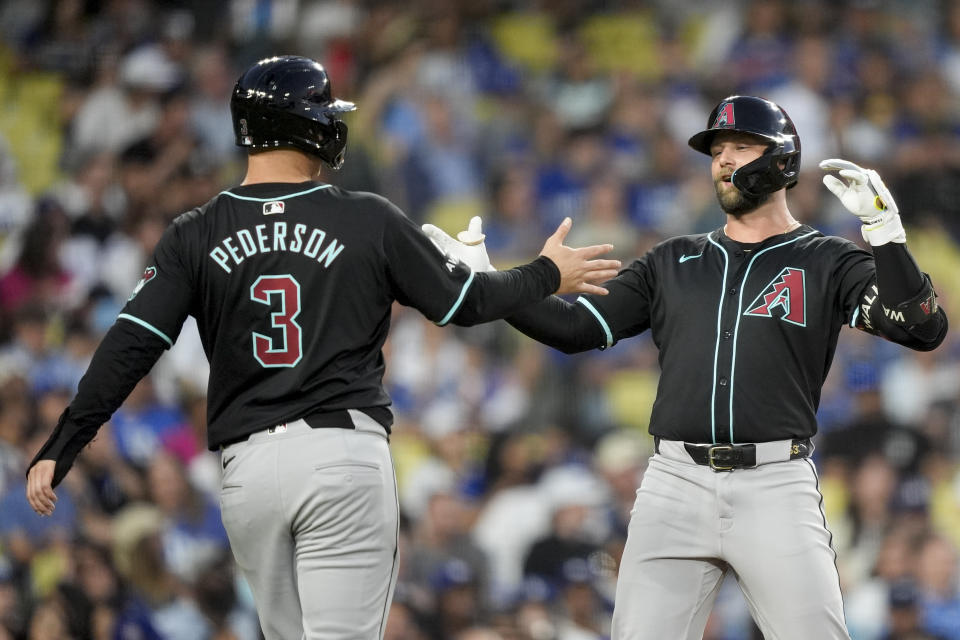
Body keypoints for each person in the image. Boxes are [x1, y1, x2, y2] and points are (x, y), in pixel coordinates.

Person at [24, 55, 620, 640]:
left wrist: (64, 441)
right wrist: (544, 274)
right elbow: (462, 305)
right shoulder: (366, 217)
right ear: (301, 122)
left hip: (247, 470)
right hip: (340, 454)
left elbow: (132, 343)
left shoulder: (194, 231)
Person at [423, 95, 949, 640]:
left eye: (740, 146)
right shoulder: (672, 260)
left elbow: (921, 328)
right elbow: (576, 328)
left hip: (774, 481)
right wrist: (494, 281)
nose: (723, 159)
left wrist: (886, 236)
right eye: (717, 149)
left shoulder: (827, 259)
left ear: (783, 161)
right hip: (673, 482)